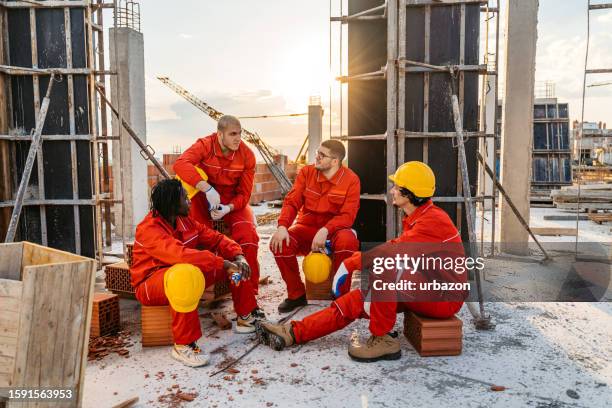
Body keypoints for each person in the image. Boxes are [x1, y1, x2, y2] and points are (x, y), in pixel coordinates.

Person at [257, 161, 467, 362]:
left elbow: (392, 253)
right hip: (424, 285)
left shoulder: (433, 222)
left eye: (396, 187)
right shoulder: (421, 216)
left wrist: (351, 263)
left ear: (408, 193)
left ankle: (383, 339)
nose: (392, 190)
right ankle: (293, 332)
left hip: (443, 295)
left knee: (385, 267)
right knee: (355, 301)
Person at [130, 179, 264, 367]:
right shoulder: (149, 229)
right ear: (172, 203)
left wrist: (237, 256)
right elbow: (180, 255)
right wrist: (221, 263)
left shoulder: (185, 221)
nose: (190, 200)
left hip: (183, 274)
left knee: (234, 268)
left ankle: (246, 316)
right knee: (185, 274)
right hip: (150, 284)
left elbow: (216, 239)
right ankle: (184, 345)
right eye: (185, 197)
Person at [269, 140, 361, 313]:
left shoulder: (351, 180)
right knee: (279, 244)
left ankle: (340, 295)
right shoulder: (306, 172)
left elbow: (348, 216)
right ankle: (296, 295)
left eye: (322, 155)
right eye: (317, 153)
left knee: (348, 241)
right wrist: (282, 226)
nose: (316, 157)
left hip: (335, 230)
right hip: (306, 227)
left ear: (335, 161)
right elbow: (292, 202)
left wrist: (326, 230)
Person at [173, 115, 261, 291]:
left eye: (240, 133)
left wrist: (228, 208)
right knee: (198, 235)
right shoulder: (205, 145)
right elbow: (181, 164)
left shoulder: (247, 155)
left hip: (232, 201)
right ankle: (202, 284)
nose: (238, 138)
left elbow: (244, 194)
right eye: (232, 134)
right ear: (220, 135)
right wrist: (207, 189)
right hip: (205, 196)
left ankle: (249, 293)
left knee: (248, 237)